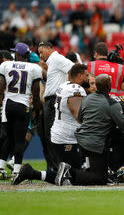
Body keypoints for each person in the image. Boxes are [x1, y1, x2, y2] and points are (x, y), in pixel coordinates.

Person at [12, 64, 90, 186]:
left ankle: (31, 173)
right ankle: (32, 173)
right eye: (86, 75)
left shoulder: (64, 85)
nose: (88, 78)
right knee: (75, 176)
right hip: (68, 138)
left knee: (68, 174)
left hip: (58, 135)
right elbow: (78, 116)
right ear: (80, 76)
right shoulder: (76, 89)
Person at [54, 74, 124, 186]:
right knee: (100, 179)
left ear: (97, 86)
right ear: (109, 87)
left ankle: (65, 174)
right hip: (95, 143)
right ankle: (68, 171)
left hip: (80, 139)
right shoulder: (112, 104)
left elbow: (79, 118)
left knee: (95, 173)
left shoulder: (86, 99)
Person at [0, 43, 42, 181]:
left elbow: (1, 88)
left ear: (18, 54)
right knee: (19, 140)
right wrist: (36, 109)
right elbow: (36, 93)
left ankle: (0, 168)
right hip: (22, 105)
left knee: (8, 138)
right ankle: (16, 172)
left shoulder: (6, 65)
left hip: (9, 104)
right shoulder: (34, 68)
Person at [38, 41, 74, 171]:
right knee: (48, 135)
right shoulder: (52, 61)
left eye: (41, 52)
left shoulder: (57, 58)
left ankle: (57, 166)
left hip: (54, 99)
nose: (40, 55)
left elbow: (73, 68)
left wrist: (67, 87)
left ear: (49, 48)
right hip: (50, 100)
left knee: (52, 134)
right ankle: (54, 166)